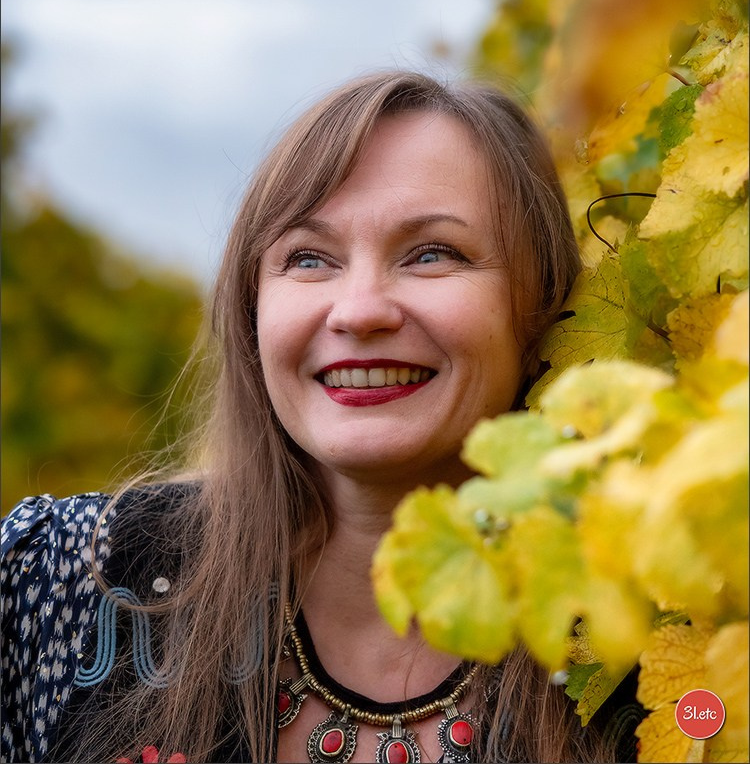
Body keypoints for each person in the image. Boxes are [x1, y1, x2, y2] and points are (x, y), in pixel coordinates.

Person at [2, 71, 641, 764]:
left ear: (543, 306)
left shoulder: (653, 645)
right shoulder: (61, 579)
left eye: (433, 253)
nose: (360, 309)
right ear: (252, 313)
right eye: (309, 258)